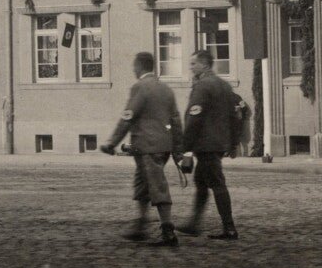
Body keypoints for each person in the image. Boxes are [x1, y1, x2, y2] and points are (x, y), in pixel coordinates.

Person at [102, 51, 183, 248]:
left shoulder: (140, 87)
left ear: (139, 66)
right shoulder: (166, 89)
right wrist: (178, 151)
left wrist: (112, 142)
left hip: (148, 147)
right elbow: (175, 121)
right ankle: (140, 225)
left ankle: (167, 230)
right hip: (161, 146)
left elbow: (128, 117)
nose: (133, 69)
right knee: (142, 184)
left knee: (156, 186)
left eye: (134, 66)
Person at [177, 49, 242, 240]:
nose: (191, 67)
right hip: (219, 143)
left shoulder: (203, 86)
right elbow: (235, 116)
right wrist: (233, 142)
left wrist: (185, 147)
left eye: (193, 64)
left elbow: (194, 118)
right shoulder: (224, 86)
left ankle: (229, 228)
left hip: (205, 144)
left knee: (216, 183)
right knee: (201, 181)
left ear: (204, 65)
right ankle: (194, 224)